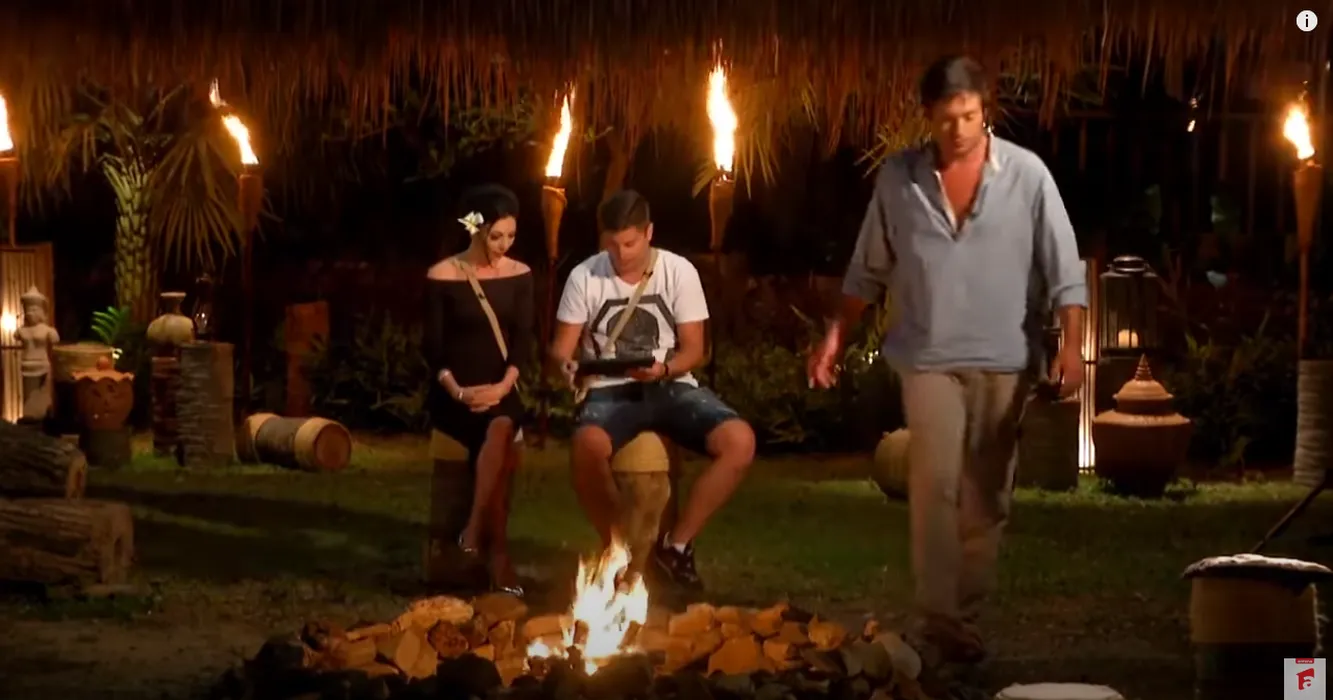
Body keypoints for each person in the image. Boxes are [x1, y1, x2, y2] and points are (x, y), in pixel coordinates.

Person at [807, 56, 1088, 666]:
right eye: (946, 118)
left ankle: (963, 615)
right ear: (927, 116)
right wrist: (836, 335)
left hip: (1005, 357)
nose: (958, 129)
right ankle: (939, 620)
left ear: (985, 110)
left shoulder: (1028, 176)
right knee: (933, 484)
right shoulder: (899, 180)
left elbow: (1065, 268)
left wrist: (1071, 345)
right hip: (927, 356)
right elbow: (867, 269)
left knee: (986, 492)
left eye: (968, 115)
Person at [549, 189, 756, 592]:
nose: (621, 254)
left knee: (739, 441)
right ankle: (617, 549)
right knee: (587, 446)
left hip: (668, 382)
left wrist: (663, 369)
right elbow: (561, 347)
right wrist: (566, 365)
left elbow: (694, 350)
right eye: (612, 244)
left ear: (648, 233)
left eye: (630, 243)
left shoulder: (678, 271)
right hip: (609, 387)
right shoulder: (585, 275)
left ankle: (675, 546)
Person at [424, 184, 534, 596]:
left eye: (511, 236)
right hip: (454, 392)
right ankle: (499, 556)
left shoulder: (519, 274)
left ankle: (473, 531)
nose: (504, 245)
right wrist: (459, 392)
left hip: (502, 389)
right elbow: (433, 347)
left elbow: (522, 340)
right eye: (496, 236)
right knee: (498, 442)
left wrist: (503, 386)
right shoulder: (443, 275)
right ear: (475, 229)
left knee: (501, 425)